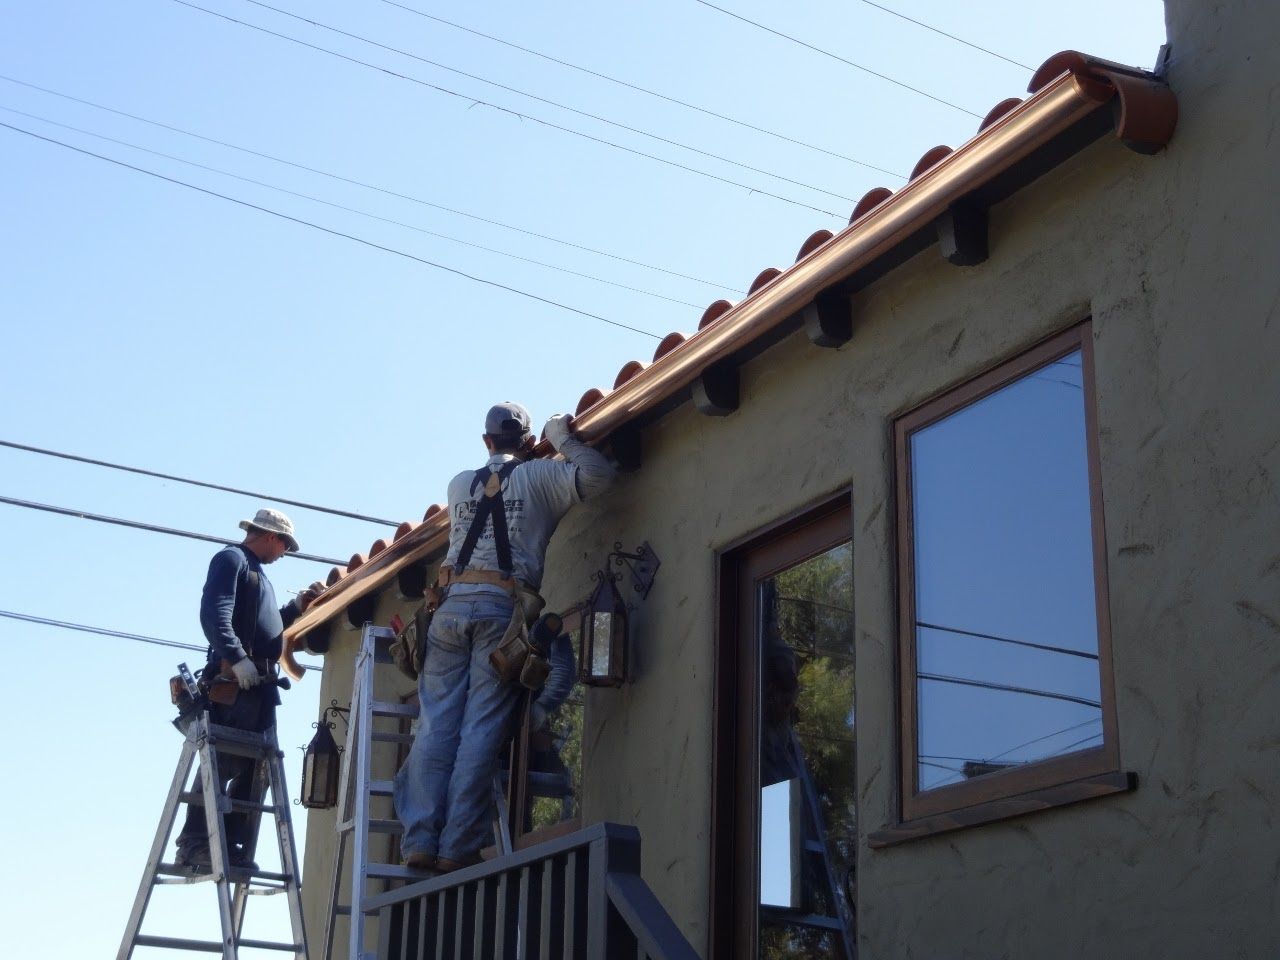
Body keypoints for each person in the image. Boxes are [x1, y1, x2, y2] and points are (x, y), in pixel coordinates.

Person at [394, 402, 615, 873]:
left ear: (487, 442)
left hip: (448, 610)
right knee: (479, 729)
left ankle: (419, 841)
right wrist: (565, 440)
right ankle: (456, 847)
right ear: (530, 440)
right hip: (500, 611)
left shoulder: (459, 484)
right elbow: (597, 476)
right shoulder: (539, 476)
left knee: (436, 727)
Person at [174, 508, 324, 872]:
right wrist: (237, 658)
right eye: (284, 545)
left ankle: (231, 846)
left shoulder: (258, 575)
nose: (284, 553)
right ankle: (195, 847)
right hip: (235, 682)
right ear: (272, 536)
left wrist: (295, 608)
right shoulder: (232, 559)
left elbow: (266, 629)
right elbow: (214, 614)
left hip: (258, 686)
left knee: (255, 771)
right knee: (221, 762)